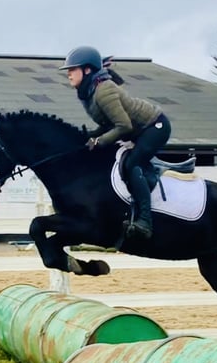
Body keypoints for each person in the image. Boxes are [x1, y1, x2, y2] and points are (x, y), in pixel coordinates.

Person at [60, 46, 171, 240]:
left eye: (72, 69)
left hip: (155, 126)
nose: (68, 74)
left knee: (132, 164)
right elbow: (107, 124)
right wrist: (88, 137)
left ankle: (145, 220)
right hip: (140, 130)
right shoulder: (89, 92)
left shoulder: (103, 91)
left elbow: (124, 126)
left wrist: (99, 140)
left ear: (87, 70)